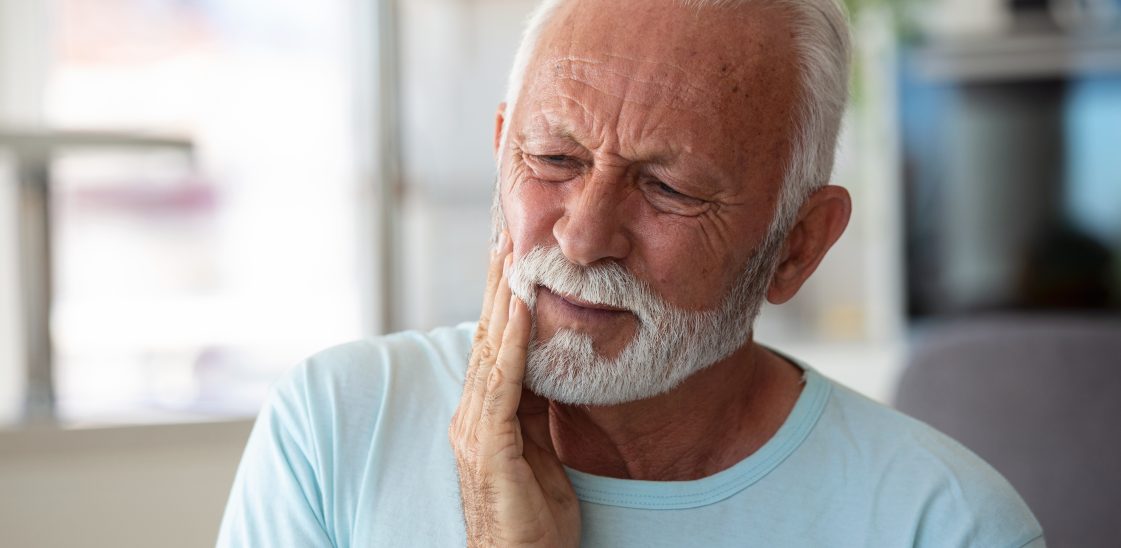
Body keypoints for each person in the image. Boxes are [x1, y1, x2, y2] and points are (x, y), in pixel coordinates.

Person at [217, 0, 1045, 546]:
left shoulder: (941, 523)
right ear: (501, 146)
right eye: (551, 157)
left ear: (796, 245)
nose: (580, 238)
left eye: (667, 188)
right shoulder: (336, 425)